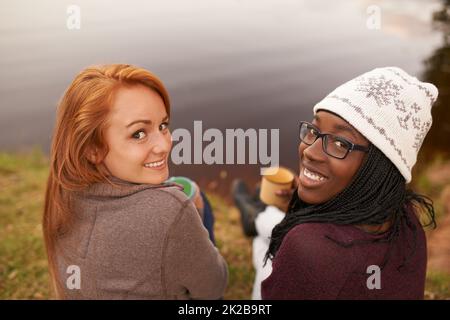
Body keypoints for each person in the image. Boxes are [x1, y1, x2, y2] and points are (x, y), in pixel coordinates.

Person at [43, 64, 228, 299]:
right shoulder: (170, 209)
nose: (164, 145)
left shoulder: (63, 192)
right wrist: (193, 215)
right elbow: (213, 288)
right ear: (92, 149)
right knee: (199, 200)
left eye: (163, 126)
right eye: (138, 133)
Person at [262, 67, 438, 300]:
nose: (310, 152)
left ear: (379, 166)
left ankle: (254, 216)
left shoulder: (309, 248)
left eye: (341, 144)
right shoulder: (407, 220)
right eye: (314, 130)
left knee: (262, 227)